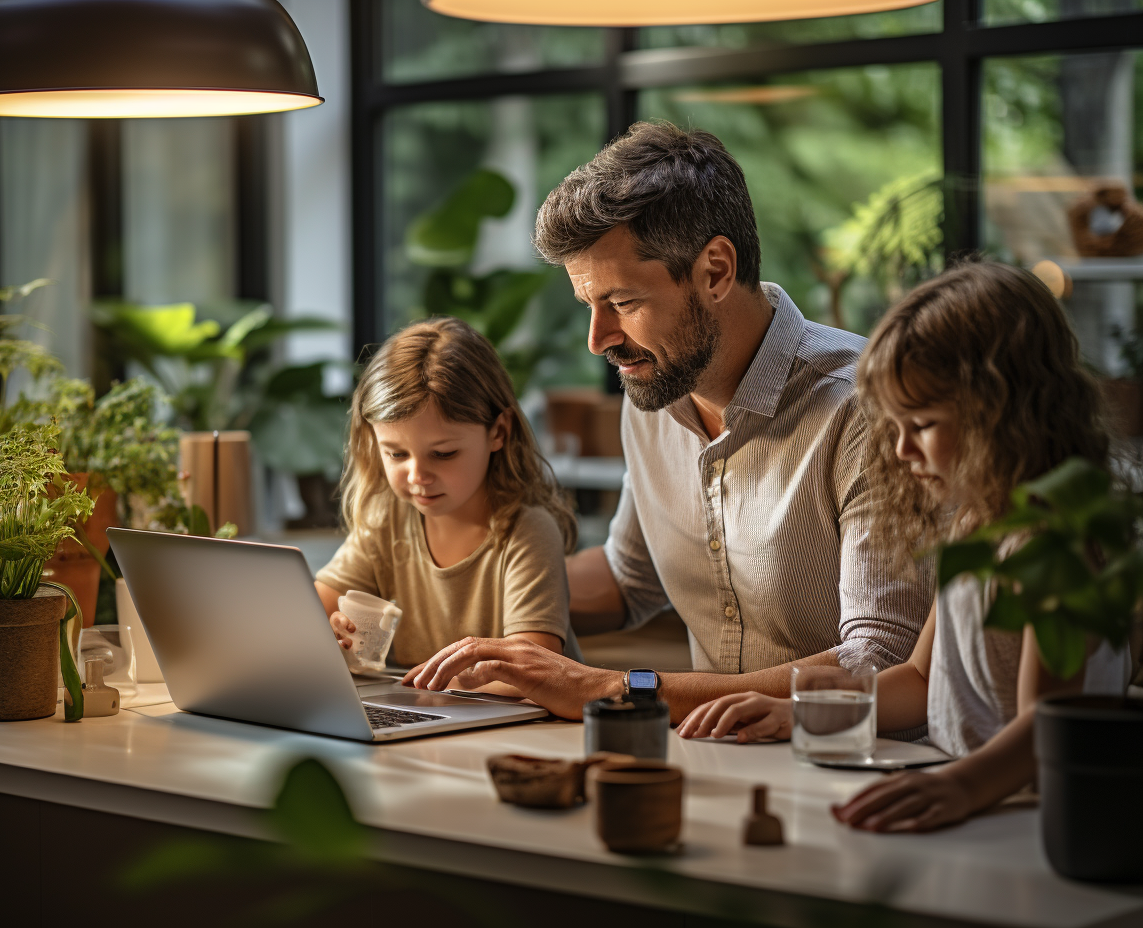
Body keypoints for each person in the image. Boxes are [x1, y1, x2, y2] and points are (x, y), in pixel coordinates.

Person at [403, 121, 932, 718]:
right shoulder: (653, 392)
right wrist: (425, 595)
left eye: (623, 303)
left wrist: (613, 689)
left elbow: (882, 657)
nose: (597, 339)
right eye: (589, 306)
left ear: (714, 271)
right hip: (711, 758)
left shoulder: (867, 411)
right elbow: (629, 580)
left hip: (860, 777)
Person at [677, 261, 1134, 832]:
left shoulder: (1055, 545)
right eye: (894, 427)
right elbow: (921, 679)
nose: (900, 452)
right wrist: (798, 714)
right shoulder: (974, 525)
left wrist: (960, 786)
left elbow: (1050, 723)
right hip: (981, 799)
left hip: (1034, 815)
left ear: (1003, 408)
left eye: (921, 424)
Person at [315, 316, 579, 669]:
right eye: (396, 453)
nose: (418, 475)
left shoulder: (527, 532)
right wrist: (329, 633)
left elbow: (533, 670)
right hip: (427, 713)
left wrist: (437, 686)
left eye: (443, 454)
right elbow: (311, 616)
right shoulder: (387, 519)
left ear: (498, 432)